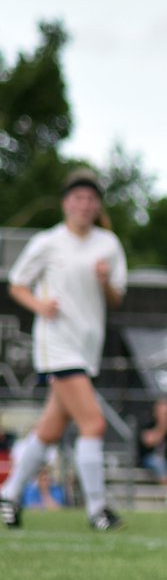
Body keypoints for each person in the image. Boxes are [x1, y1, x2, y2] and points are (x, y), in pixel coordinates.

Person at [0, 170, 128, 531]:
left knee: (49, 431)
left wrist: (104, 282)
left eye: (91, 199)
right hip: (56, 345)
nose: (85, 205)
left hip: (88, 347)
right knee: (93, 423)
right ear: (65, 203)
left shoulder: (108, 244)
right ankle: (98, 510)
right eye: (78, 198)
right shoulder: (48, 241)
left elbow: (117, 296)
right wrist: (39, 306)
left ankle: (8, 496)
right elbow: (17, 284)